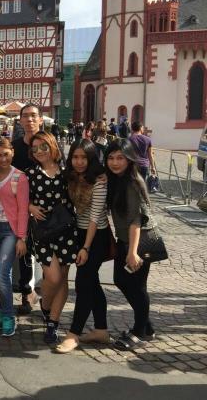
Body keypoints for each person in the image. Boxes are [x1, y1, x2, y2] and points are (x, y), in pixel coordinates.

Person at [56, 139, 110, 353]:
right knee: (92, 283)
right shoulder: (71, 177)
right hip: (78, 233)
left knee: (83, 283)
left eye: (84, 158)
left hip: (96, 236)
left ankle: (74, 334)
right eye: (75, 157)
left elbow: (95, 217)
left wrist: (85, 247)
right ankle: (101, 330)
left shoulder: (99, 181)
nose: (79, 162)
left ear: (91, 159)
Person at [27, 131, 79, 344]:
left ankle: (53, 322)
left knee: (62, 278)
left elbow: (85, 183)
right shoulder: (30, 173)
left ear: (52, 146)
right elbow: (20, 198)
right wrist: (30, 207)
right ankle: (45, 305)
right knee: (53, 277)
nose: (39, 151)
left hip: (66, 230)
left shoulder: (67, 172)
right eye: (35, 148)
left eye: (43, 147)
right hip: (43, 231)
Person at [106, 139, 156, 351]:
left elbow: (137, 220)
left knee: (137, 287)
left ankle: (139, 332)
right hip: (125, 241)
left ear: (129, 159)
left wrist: (133, 252)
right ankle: (147, 327)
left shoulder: (132, 182)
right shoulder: (117, 179)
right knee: (121, 280)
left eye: (120, 158)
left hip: (139, 243)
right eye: (111, 158)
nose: (115, 162)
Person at [0, 139, 29, 337]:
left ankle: (8, 316)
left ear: (12, 152)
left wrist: (22, 237)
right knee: (5, 274)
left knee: (0, 274)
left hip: (11, 231)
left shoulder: (19, 177)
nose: (3, 158)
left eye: (6, 154)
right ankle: (3, 313)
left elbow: (23, 210)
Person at [11, 104, 42, 314]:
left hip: (45, 208)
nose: (29, 120)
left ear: (40, 119)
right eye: (26, 116)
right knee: (24, 252)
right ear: (21, 120)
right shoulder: (15, 147)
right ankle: (26, 294)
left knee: (47, 255)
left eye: (33, 116)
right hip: (21, 208)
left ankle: (47, 294)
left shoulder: (48, 143)